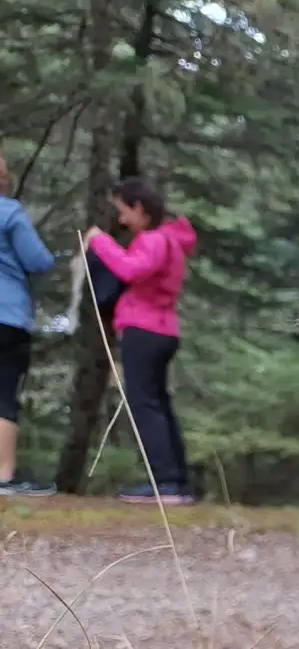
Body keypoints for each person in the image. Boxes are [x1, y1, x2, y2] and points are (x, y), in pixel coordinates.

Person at [86, 176, 198, 506]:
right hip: (162, 330)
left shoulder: (154, 240)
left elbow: (132, 271)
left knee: (145, 405)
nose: (122, 219)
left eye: (123, 211)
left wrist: (100, 242)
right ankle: (176, 481)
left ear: (138, 208)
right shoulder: (169, 240)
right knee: (158, 404)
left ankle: (165, 482)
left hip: (144, 331)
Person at [0, 152, 56, 497]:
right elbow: (39, 261)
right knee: (3, 393)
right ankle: (3, 475)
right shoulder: (9, 212)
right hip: (7, 317)